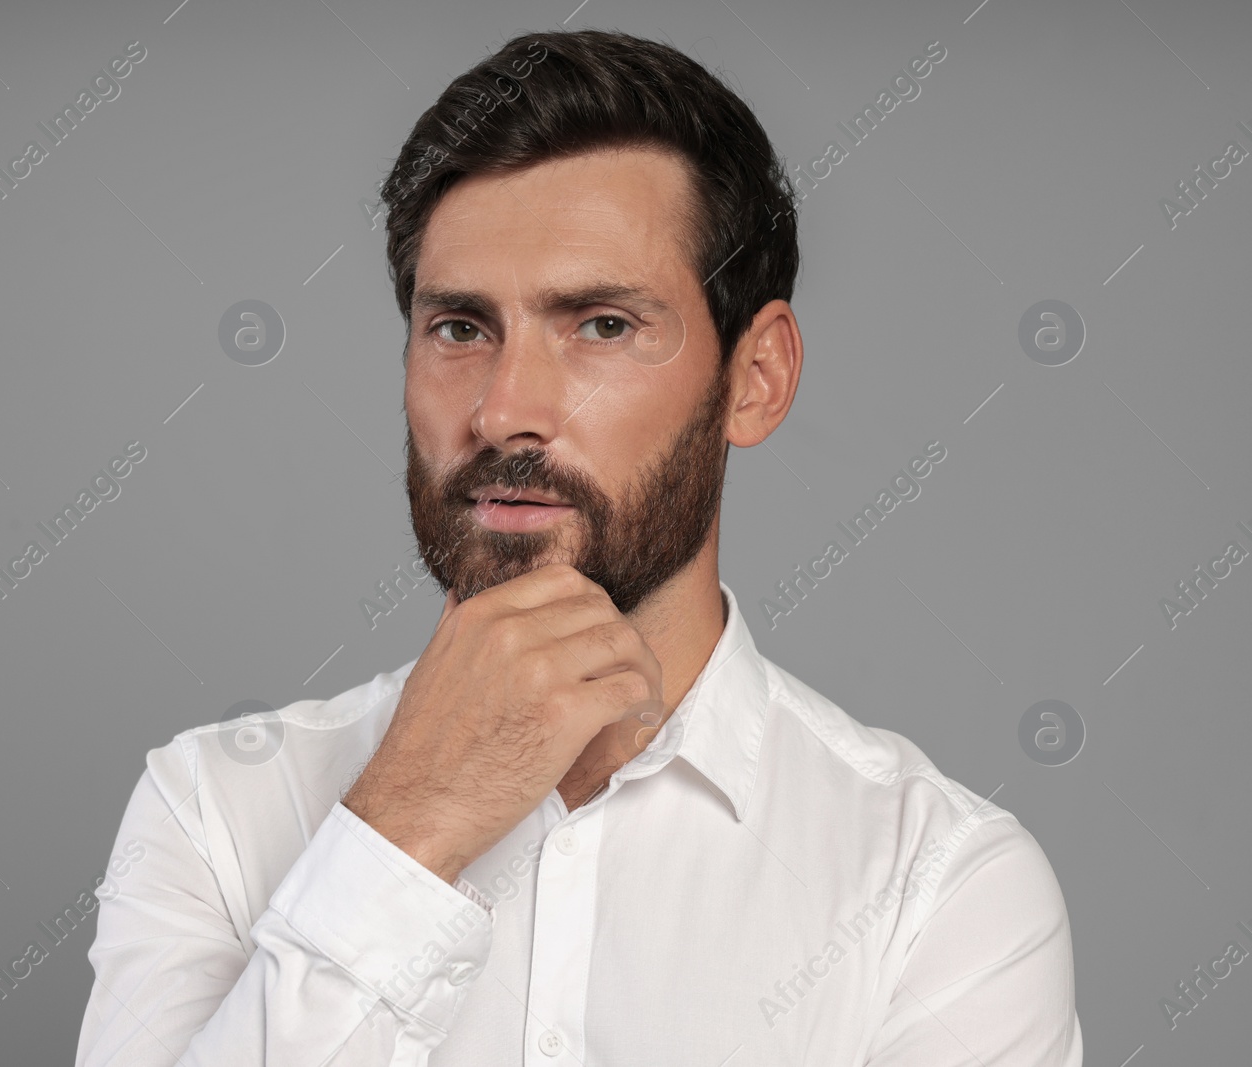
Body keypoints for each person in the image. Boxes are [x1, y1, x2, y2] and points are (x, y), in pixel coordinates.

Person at [74, 27, 1082, 1066]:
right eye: (460, 327)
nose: (507, 410)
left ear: (757, 377)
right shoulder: (217, 808)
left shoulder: (937, 886)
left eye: (600, 325)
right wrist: (404, 829)